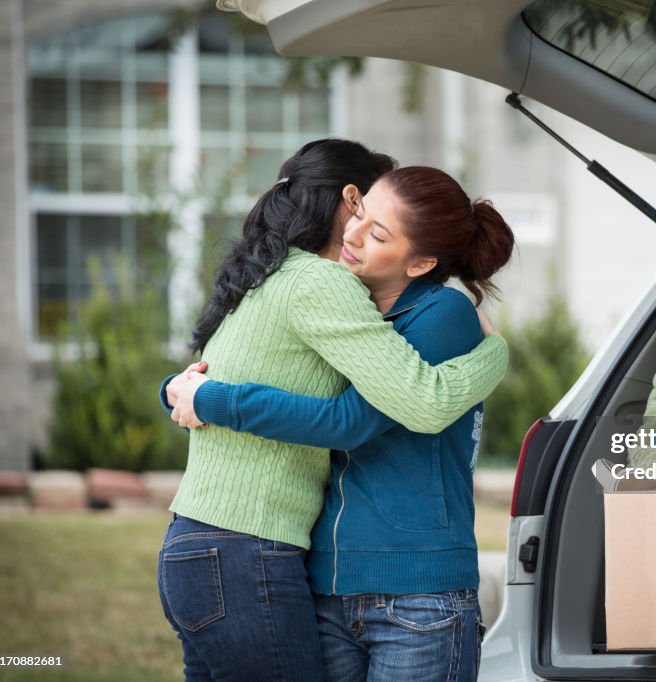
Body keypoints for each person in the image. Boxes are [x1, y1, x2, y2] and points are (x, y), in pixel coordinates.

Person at [157, 143, 509, 682]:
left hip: (386, 585)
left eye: (380, 232)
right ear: (350, 200)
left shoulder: (429, 309)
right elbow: (266, 372)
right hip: (268, 557)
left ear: (421, 262)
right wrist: (495, 355)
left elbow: (358, 416)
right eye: (361, 215)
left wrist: (195, 395)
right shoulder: (328, 288)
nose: (355, 235)